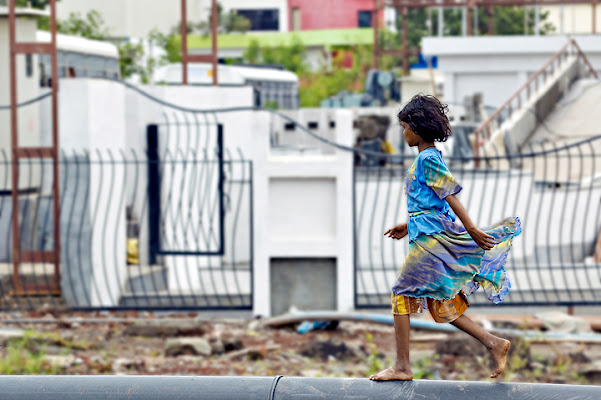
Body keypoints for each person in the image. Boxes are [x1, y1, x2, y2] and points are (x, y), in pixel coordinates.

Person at [369, 94, 521, 381]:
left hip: (430, 241)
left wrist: (473, 230)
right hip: (424, 235)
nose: (404, 133)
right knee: (441, 307)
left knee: (401, 294)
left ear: (418, 128)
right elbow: (431, 203)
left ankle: (402, 366)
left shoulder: (428, 159)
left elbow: (449, 196)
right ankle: (495, 343)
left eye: (405, 127)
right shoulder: (427, 159)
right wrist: (408, 224)